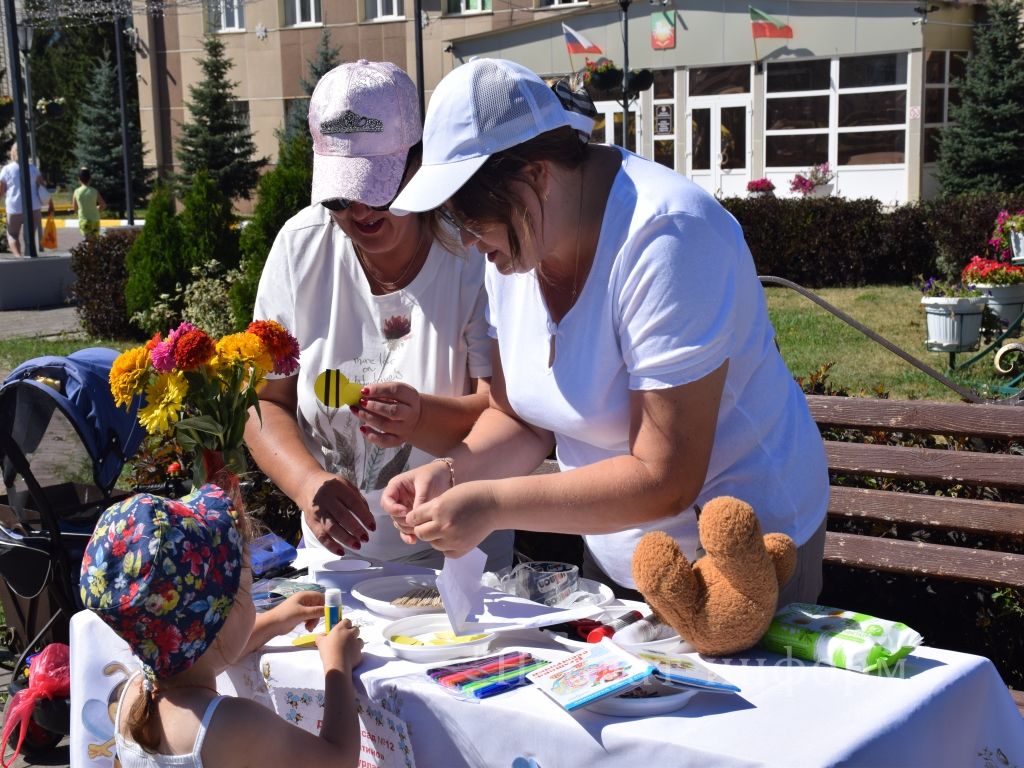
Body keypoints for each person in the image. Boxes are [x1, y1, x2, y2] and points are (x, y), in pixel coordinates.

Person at [382, 58, 830, 607]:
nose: (470, 239)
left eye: (472, 215)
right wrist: (454, 474)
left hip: (745, 560)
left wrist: (492, 504)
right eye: (456, 219)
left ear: (535, 176)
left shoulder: (668, 236)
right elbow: (517, 418)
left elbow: (667, 478)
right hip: (622, 553)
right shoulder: (517, 247)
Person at [244, 59, 513, 571]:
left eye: (379, 188)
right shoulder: (301, 247)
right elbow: (265, 400)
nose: (361, 211)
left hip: (464, 562)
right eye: (342, 195)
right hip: (339, 565)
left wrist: (421, 419)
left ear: (419, 163)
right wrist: (308, 484)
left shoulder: (474, 251)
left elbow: (509, 413)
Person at [79, 485, 364, 767]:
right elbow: (339, 760)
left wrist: (276, 620)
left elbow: (211, 654)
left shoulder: (132, 695)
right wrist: (338, 664)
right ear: (215, 625)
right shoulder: (235, 724)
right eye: (246, 591)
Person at [0, 145, 47, 257]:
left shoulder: (6, 169)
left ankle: (18, 257)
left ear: (12, 153)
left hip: (14, 207)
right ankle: (31, 256)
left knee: (12, 234)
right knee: (30, 235)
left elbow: (1, 190)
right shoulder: (33, 168)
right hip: (33, 206)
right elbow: (42, 186)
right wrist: (50, 203)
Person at [72, 166, 106, 238]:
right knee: (94, 241)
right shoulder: (94, 191)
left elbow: (74, 208)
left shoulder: (77, 192)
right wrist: (97, 209)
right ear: (90, 179)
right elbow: (103, 205)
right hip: (95, 220)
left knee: (87, 240)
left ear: (79, 179)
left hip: (84, 220)